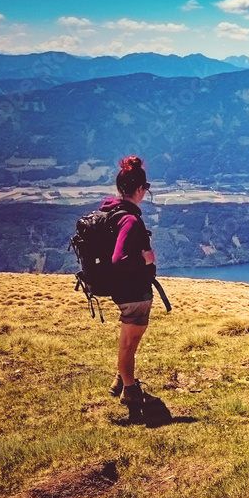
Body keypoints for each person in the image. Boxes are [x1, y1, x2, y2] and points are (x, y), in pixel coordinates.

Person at [102, 156, 160, 411]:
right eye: (145, 188)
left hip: (122, 289)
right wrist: (145, 258)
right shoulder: (130, 219)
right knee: (129, 343)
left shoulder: (111, 212)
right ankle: (130, 390)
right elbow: (119, 258)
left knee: (128, 341)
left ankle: (122, 379)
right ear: (138, 189)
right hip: (133, 291)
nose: (145, 193)